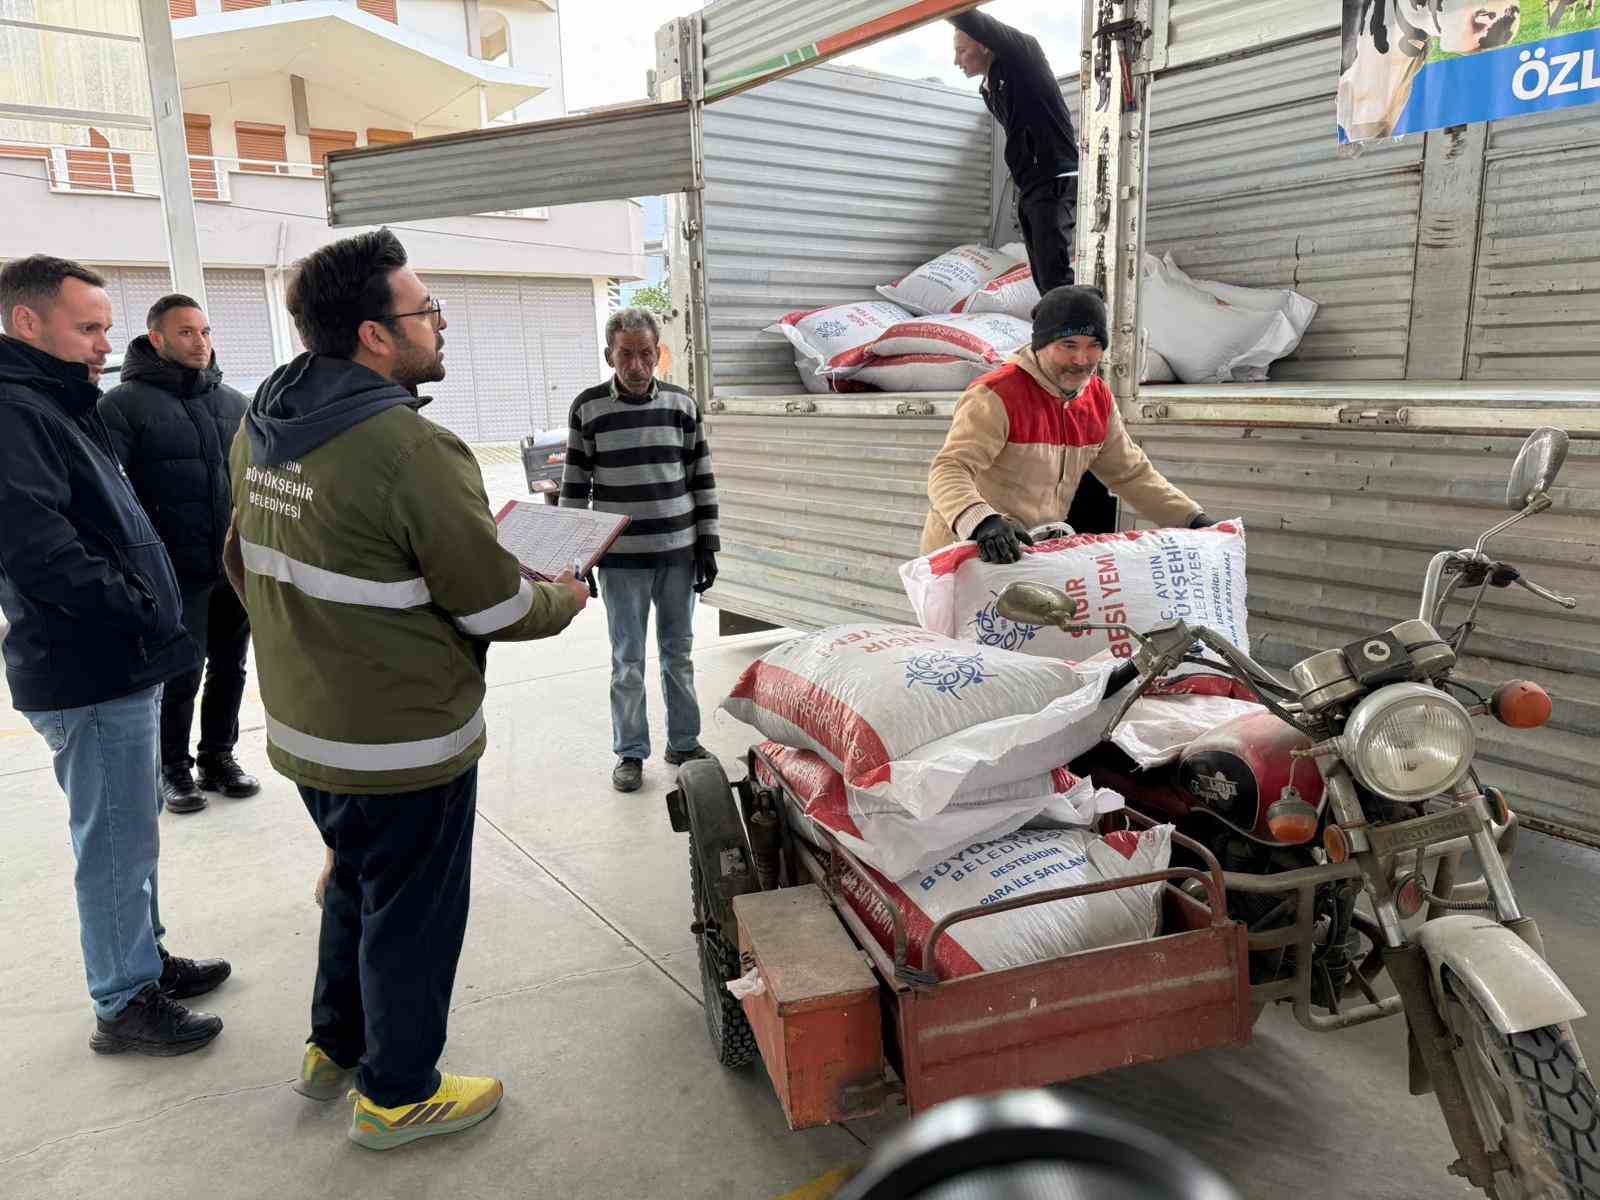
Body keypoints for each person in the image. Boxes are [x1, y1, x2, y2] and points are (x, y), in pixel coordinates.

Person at [222, 229, 589, 1150]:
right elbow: (496, 605)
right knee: (413, 917)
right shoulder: (409, 448)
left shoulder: (264, 424)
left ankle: (334, 1046)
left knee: (353, 882)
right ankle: (396, 1093)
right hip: (401, 744)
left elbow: (241, 560)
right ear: (375, 338)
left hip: (308, 730)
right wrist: (564, 595)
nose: (439, 324)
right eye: (426, 310)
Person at [0, 256, 230, 1056]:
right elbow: (40, 549)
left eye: (106, 327)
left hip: (115, 658)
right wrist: (138, 611)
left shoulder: (58, 401)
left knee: (131, 834)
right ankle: (123, 999)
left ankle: (144, 960)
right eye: (88, 327)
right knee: (112, 844)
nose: (105, 343)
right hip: (88, 663)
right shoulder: (16, 411)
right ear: (28, 323)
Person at [99, 295, 258, 815]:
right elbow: (112, 497)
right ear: (158, 339)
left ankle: (219, 757)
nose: (200, 342)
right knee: (180, 672)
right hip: (170, 571)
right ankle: (173, 768)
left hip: (232, 568)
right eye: (186, 332)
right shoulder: (121, 406)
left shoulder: (234, 403)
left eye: (205, 331)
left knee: (230, 667)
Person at [921, 285, 1210, 562]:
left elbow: (1132, 475)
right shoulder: (997, 395)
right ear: (1041, 344)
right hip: (967, 552)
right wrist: (981, 521)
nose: (1081, 359)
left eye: (1094, 345)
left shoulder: (1099, 399)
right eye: (1068, 345)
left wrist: (1194, 520)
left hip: (1031, 554)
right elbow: (949, 469)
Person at [560, 307, 719, 794]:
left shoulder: (681, 404)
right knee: (626, 659)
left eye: (646, 353)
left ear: (658, 354)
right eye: (626, 354)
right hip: (621, 561)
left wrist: (708, 544)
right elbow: (574, 488)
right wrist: (577, 558)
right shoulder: (587, 408)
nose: (636, 364)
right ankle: (630, 753)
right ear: (610, 354)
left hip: (678, 552)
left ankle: (685, 742)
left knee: (680, 653)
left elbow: (702, 480)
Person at [950, 6, 1078, 293]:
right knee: (1044, 279)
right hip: (1031, 183)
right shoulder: (989, 88)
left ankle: (1073, 330)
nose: (956, 61)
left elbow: (976, 21)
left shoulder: (1023, 56)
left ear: (983, 44)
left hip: (1053, 175)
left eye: (961, 51)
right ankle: (1056, 328)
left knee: (1054, 276)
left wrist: (940, 9)